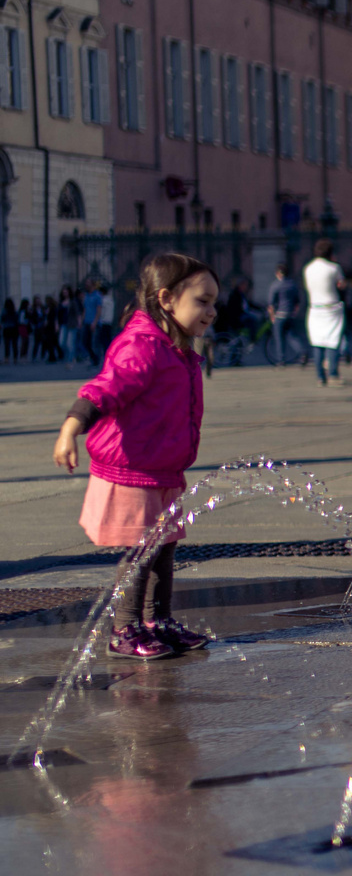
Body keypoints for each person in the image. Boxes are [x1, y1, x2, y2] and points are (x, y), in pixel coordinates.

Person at [52, 253, 217, 660]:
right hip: (131, 468)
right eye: (202, 301)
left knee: (164, 549)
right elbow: (105, 388)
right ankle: (124, 630)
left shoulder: (175, 346)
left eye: (214, 302)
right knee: (141, 552)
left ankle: (157, 620)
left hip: (162, 466)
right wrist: (71, 428)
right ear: (166, 298)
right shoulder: (141, 346)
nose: (211, 312)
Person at [302, 239, 347, 387]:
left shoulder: (308, 268)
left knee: (317, 342)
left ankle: (320, 376)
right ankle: (333, 373)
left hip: (315, 307)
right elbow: (341, 285)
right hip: (332, 307)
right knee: (333, 341)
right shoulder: (334, 268)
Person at [266, 264, 303, 366]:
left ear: (278, 273)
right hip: (290, 315)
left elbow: (271, 304)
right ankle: (302, 353)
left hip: (279, 315)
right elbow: (297, 302)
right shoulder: (293, 285)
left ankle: (281, 359)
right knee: (292, 337)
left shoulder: (275, 285)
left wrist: (272, 316)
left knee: (279, 338)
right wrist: (294, 312)